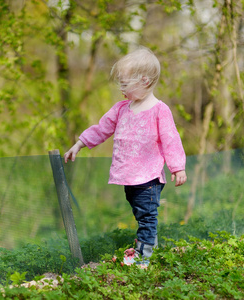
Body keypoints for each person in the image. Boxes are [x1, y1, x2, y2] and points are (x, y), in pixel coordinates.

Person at [64, 46, 187, 267]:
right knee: (141, 215)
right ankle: (149, 247)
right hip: (128, 177)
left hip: (148, 178)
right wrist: (79, 144)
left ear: (145, 81)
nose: (121, 89)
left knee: (147, 218)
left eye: (125, 84)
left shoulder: (160, 110)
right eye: (120, 83)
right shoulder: (121, 109)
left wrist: (178, 167)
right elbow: (101, 128)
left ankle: (143, 259)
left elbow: (171, 139)